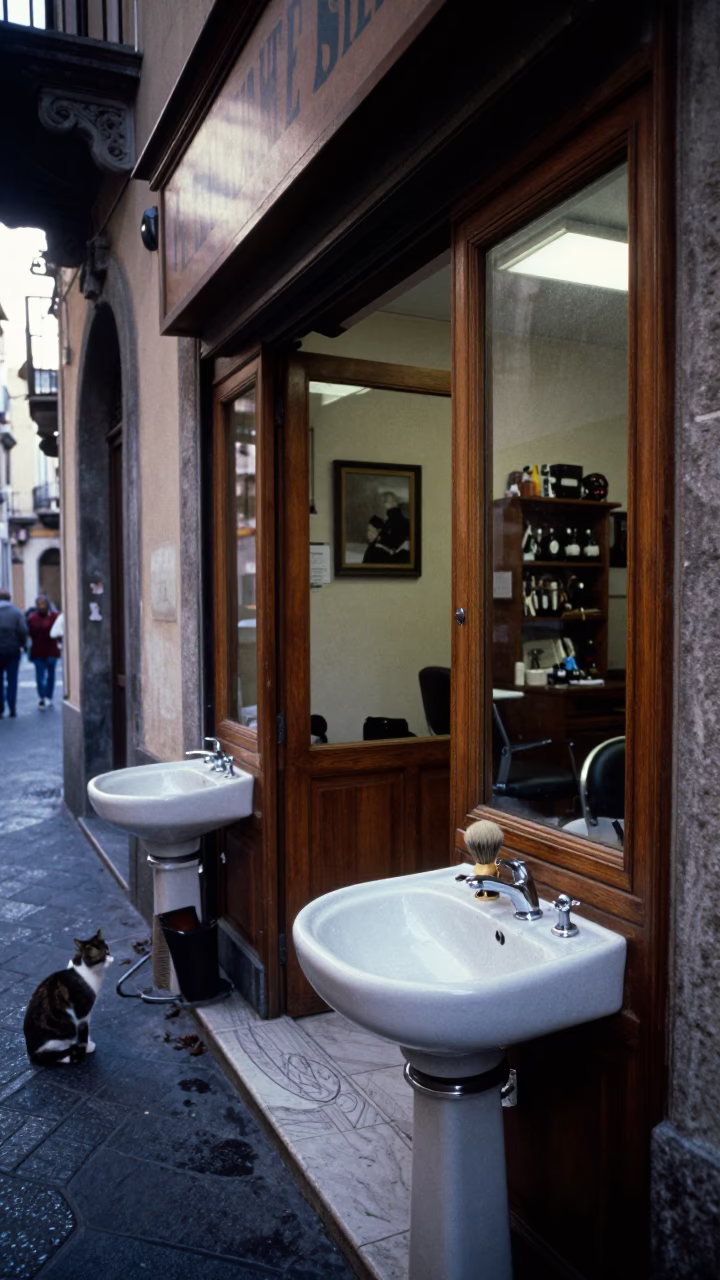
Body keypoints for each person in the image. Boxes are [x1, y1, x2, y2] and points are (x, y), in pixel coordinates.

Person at [26, 595, 61, 710]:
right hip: (38, 651)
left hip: (51, 651)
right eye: (39, 604)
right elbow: (29, 633)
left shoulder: (54, 617)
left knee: (50, 676)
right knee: (40, 677)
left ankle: (48, 697)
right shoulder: (32, 618)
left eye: (43, 604)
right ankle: (43, 697)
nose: (42, 606)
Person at [0, 589, 28, 719]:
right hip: (12, 650)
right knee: (12, 679)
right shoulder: (16, 612)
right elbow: (23, 631)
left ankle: (0, 708)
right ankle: (12, 707)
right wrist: (23, 645)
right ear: (9, 598)